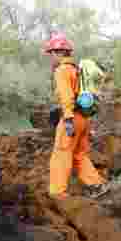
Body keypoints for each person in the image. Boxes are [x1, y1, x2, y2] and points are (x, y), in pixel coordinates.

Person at [44, 33, 108, 199]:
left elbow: (66, 96)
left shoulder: (62, 70)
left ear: (59, 52)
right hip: (84, 119)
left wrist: (67, 118)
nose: (50, 57)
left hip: (71, 118)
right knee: (79, 154)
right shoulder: (76, 70)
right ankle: (97, 185)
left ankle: (57, 193)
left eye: (51, 53)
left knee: (61, 153)